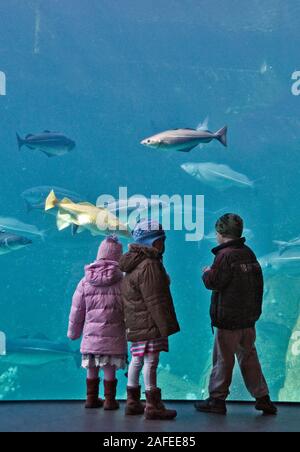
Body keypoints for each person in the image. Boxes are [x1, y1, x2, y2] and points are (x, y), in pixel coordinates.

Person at [195, 213, 277, 415]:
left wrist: (206, 273)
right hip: (247, 320)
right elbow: (258, 285)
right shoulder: (249, 253)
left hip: (228, 322)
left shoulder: (224, 256)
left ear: (220, 233)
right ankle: (263, 397)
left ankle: (217, 399)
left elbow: (215, 282)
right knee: (249, 357)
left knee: (223, 359)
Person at [120, 220, 180, 420]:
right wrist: (165, 326)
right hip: (150, 322)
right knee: (151, 361)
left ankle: (132, 402)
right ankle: (152, 405)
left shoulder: (132, 263)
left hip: (137, 322)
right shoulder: (150, 264)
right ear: (151, 242)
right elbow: (155, 299)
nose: (164, 245)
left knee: (136, 360)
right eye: (161, 240)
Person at [67, 236, 127, 410]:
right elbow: (129, 308)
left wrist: (73, 333)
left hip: (91, 337)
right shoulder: (122, 280)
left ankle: (91, 398)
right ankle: (109, 401)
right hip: (114, 337)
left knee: (91, 367)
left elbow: (76, 310)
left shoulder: (85, 281)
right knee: (109, 367)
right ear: (119, 257)